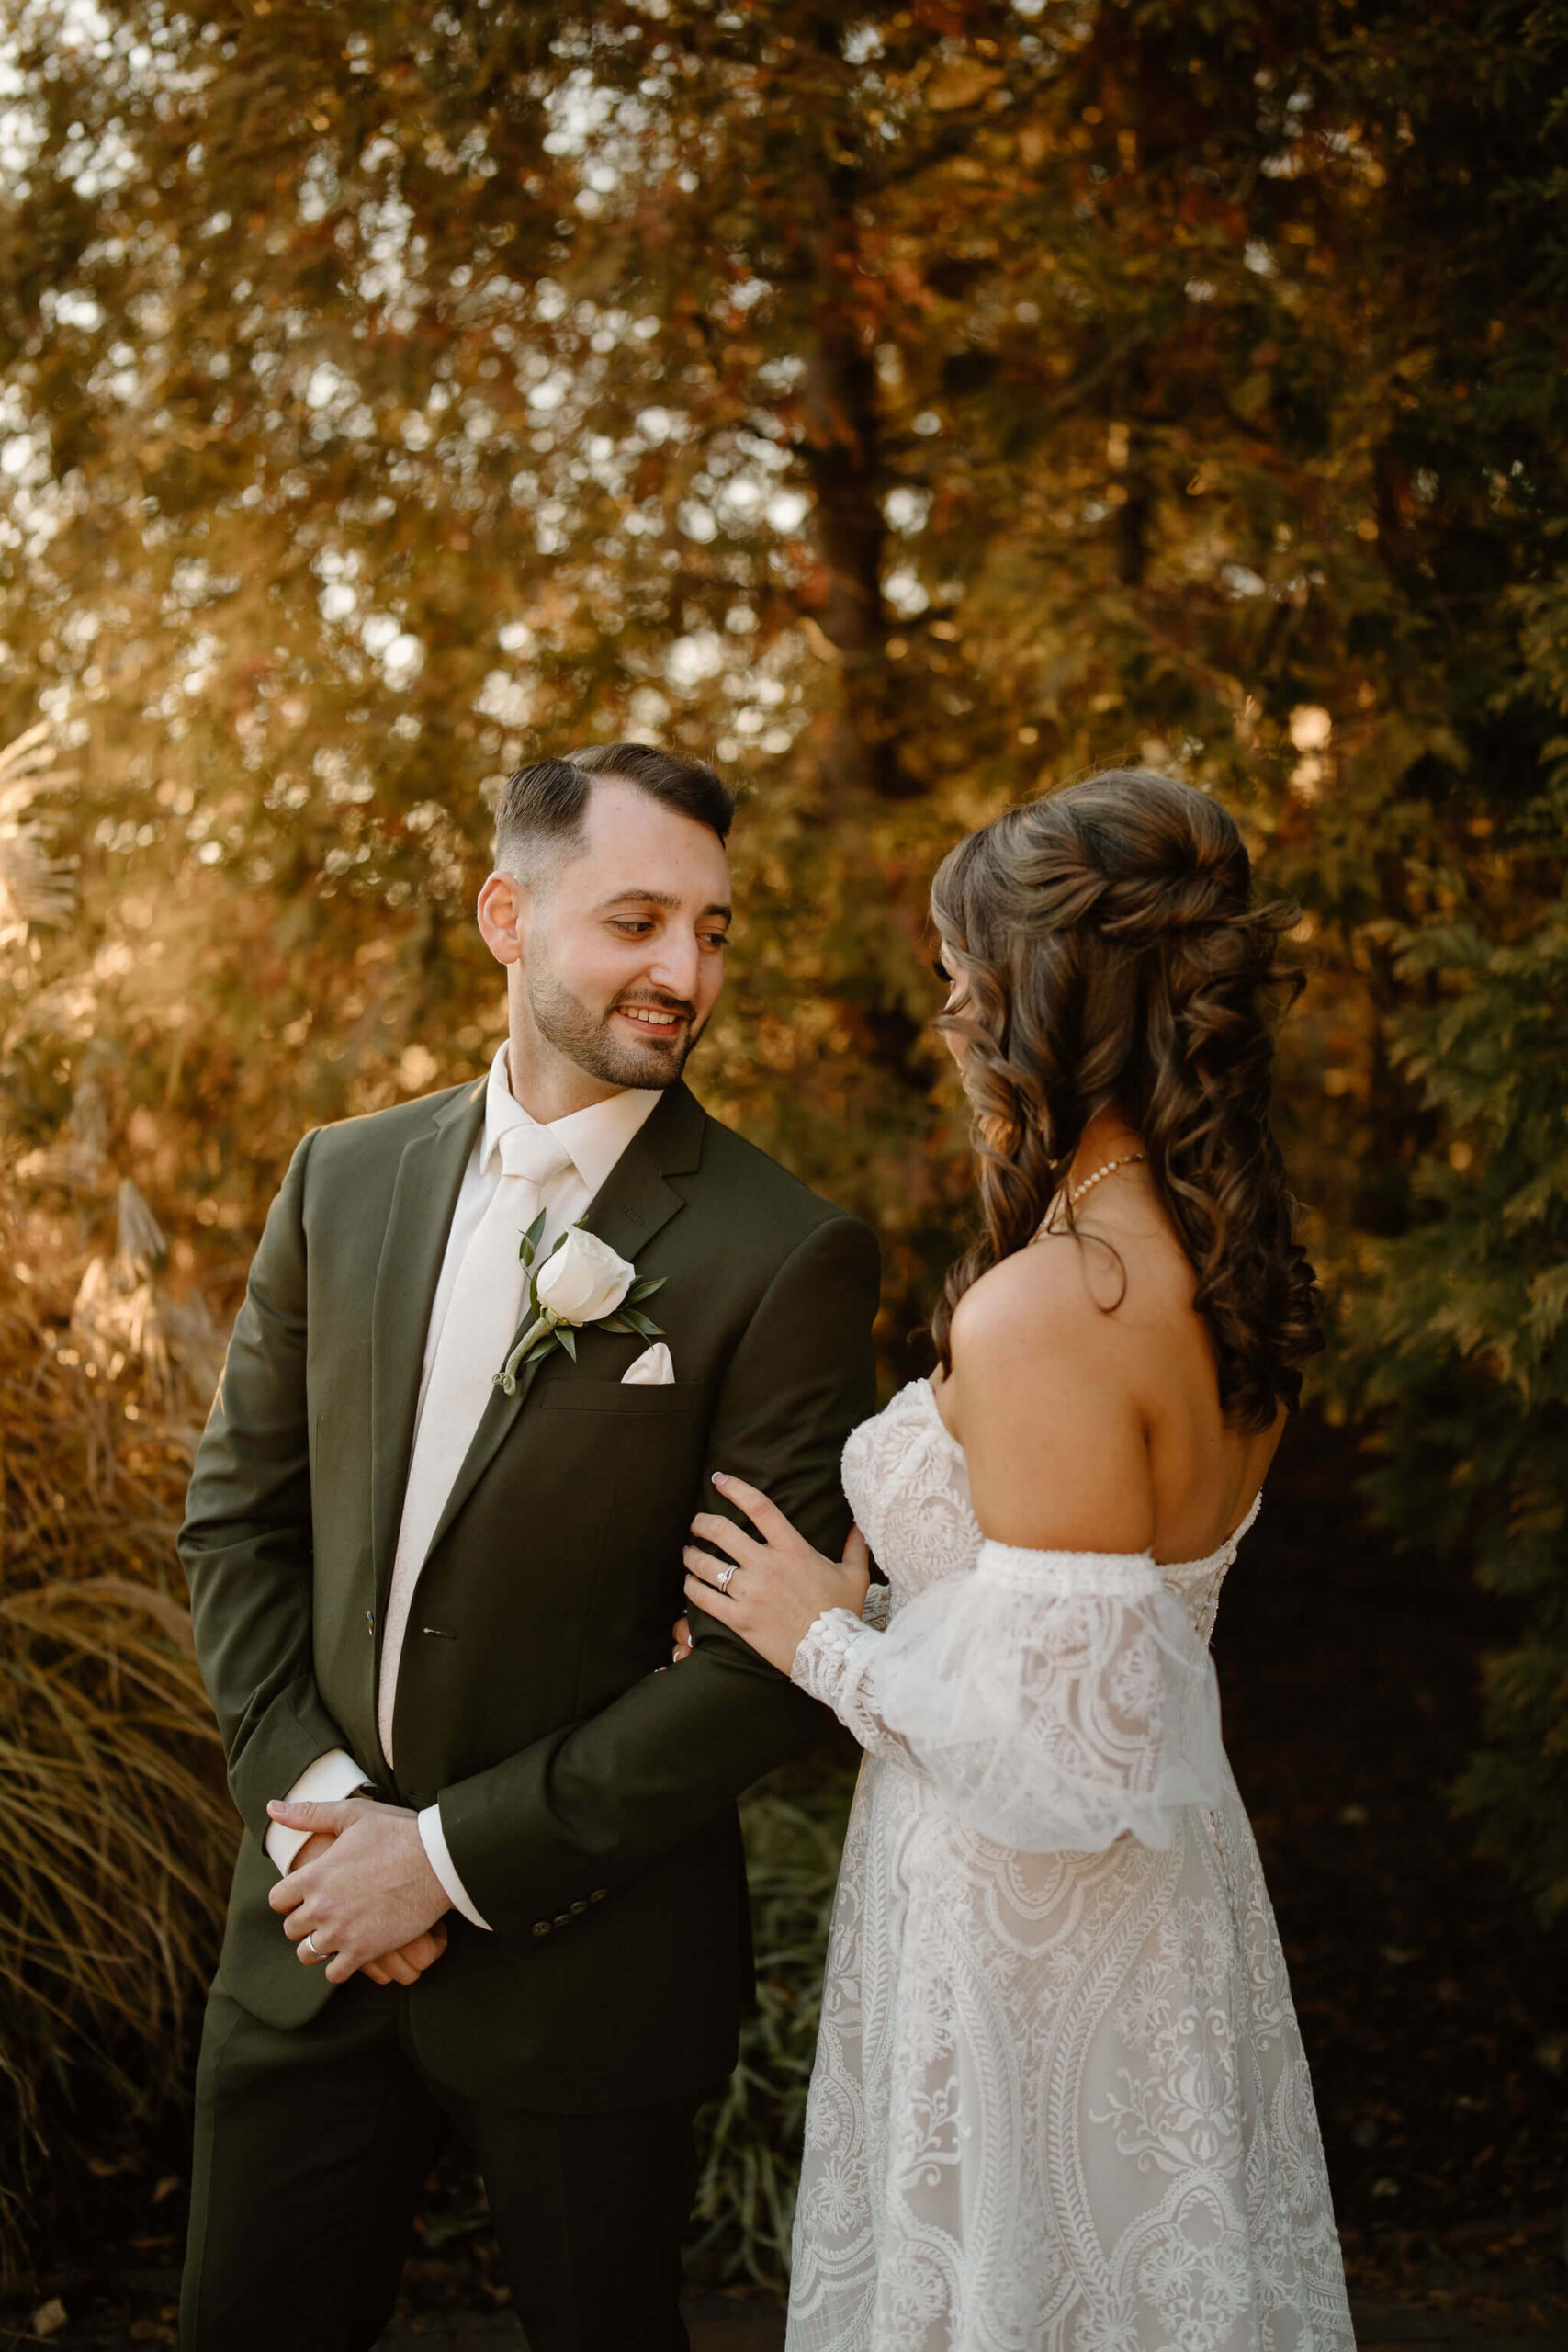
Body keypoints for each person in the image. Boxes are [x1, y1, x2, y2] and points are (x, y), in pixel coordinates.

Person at [176, 742, 880, 2352]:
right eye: (636, 919)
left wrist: (441, 1860)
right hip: (308, 1941)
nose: (682, 971)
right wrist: (338, 1832)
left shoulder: (785, 1254)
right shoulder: (341, 1179)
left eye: (712, 930)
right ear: (507, 914)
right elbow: (238, 1527)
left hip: (589, 1972)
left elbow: (764, 1670)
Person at [677, 771, 1357, 2351]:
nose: (952, 1017)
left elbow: (1059, 1754)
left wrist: (819, 1639)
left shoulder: (1057, 1305)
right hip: (1146, 1911)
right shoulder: (1209, 1268)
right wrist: (889, 1609)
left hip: (1028, 1945)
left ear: (1056, 998)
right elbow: (1077, 1632)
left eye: (965, 979)